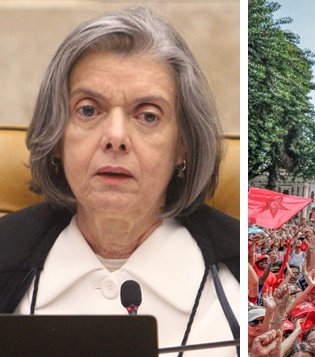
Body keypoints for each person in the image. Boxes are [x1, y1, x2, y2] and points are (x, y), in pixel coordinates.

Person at [0, 7, 239, 354]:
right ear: (57, 137)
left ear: (182, 146)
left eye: (147, 116)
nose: (115, 137)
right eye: (88, 110)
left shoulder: (236, 282)